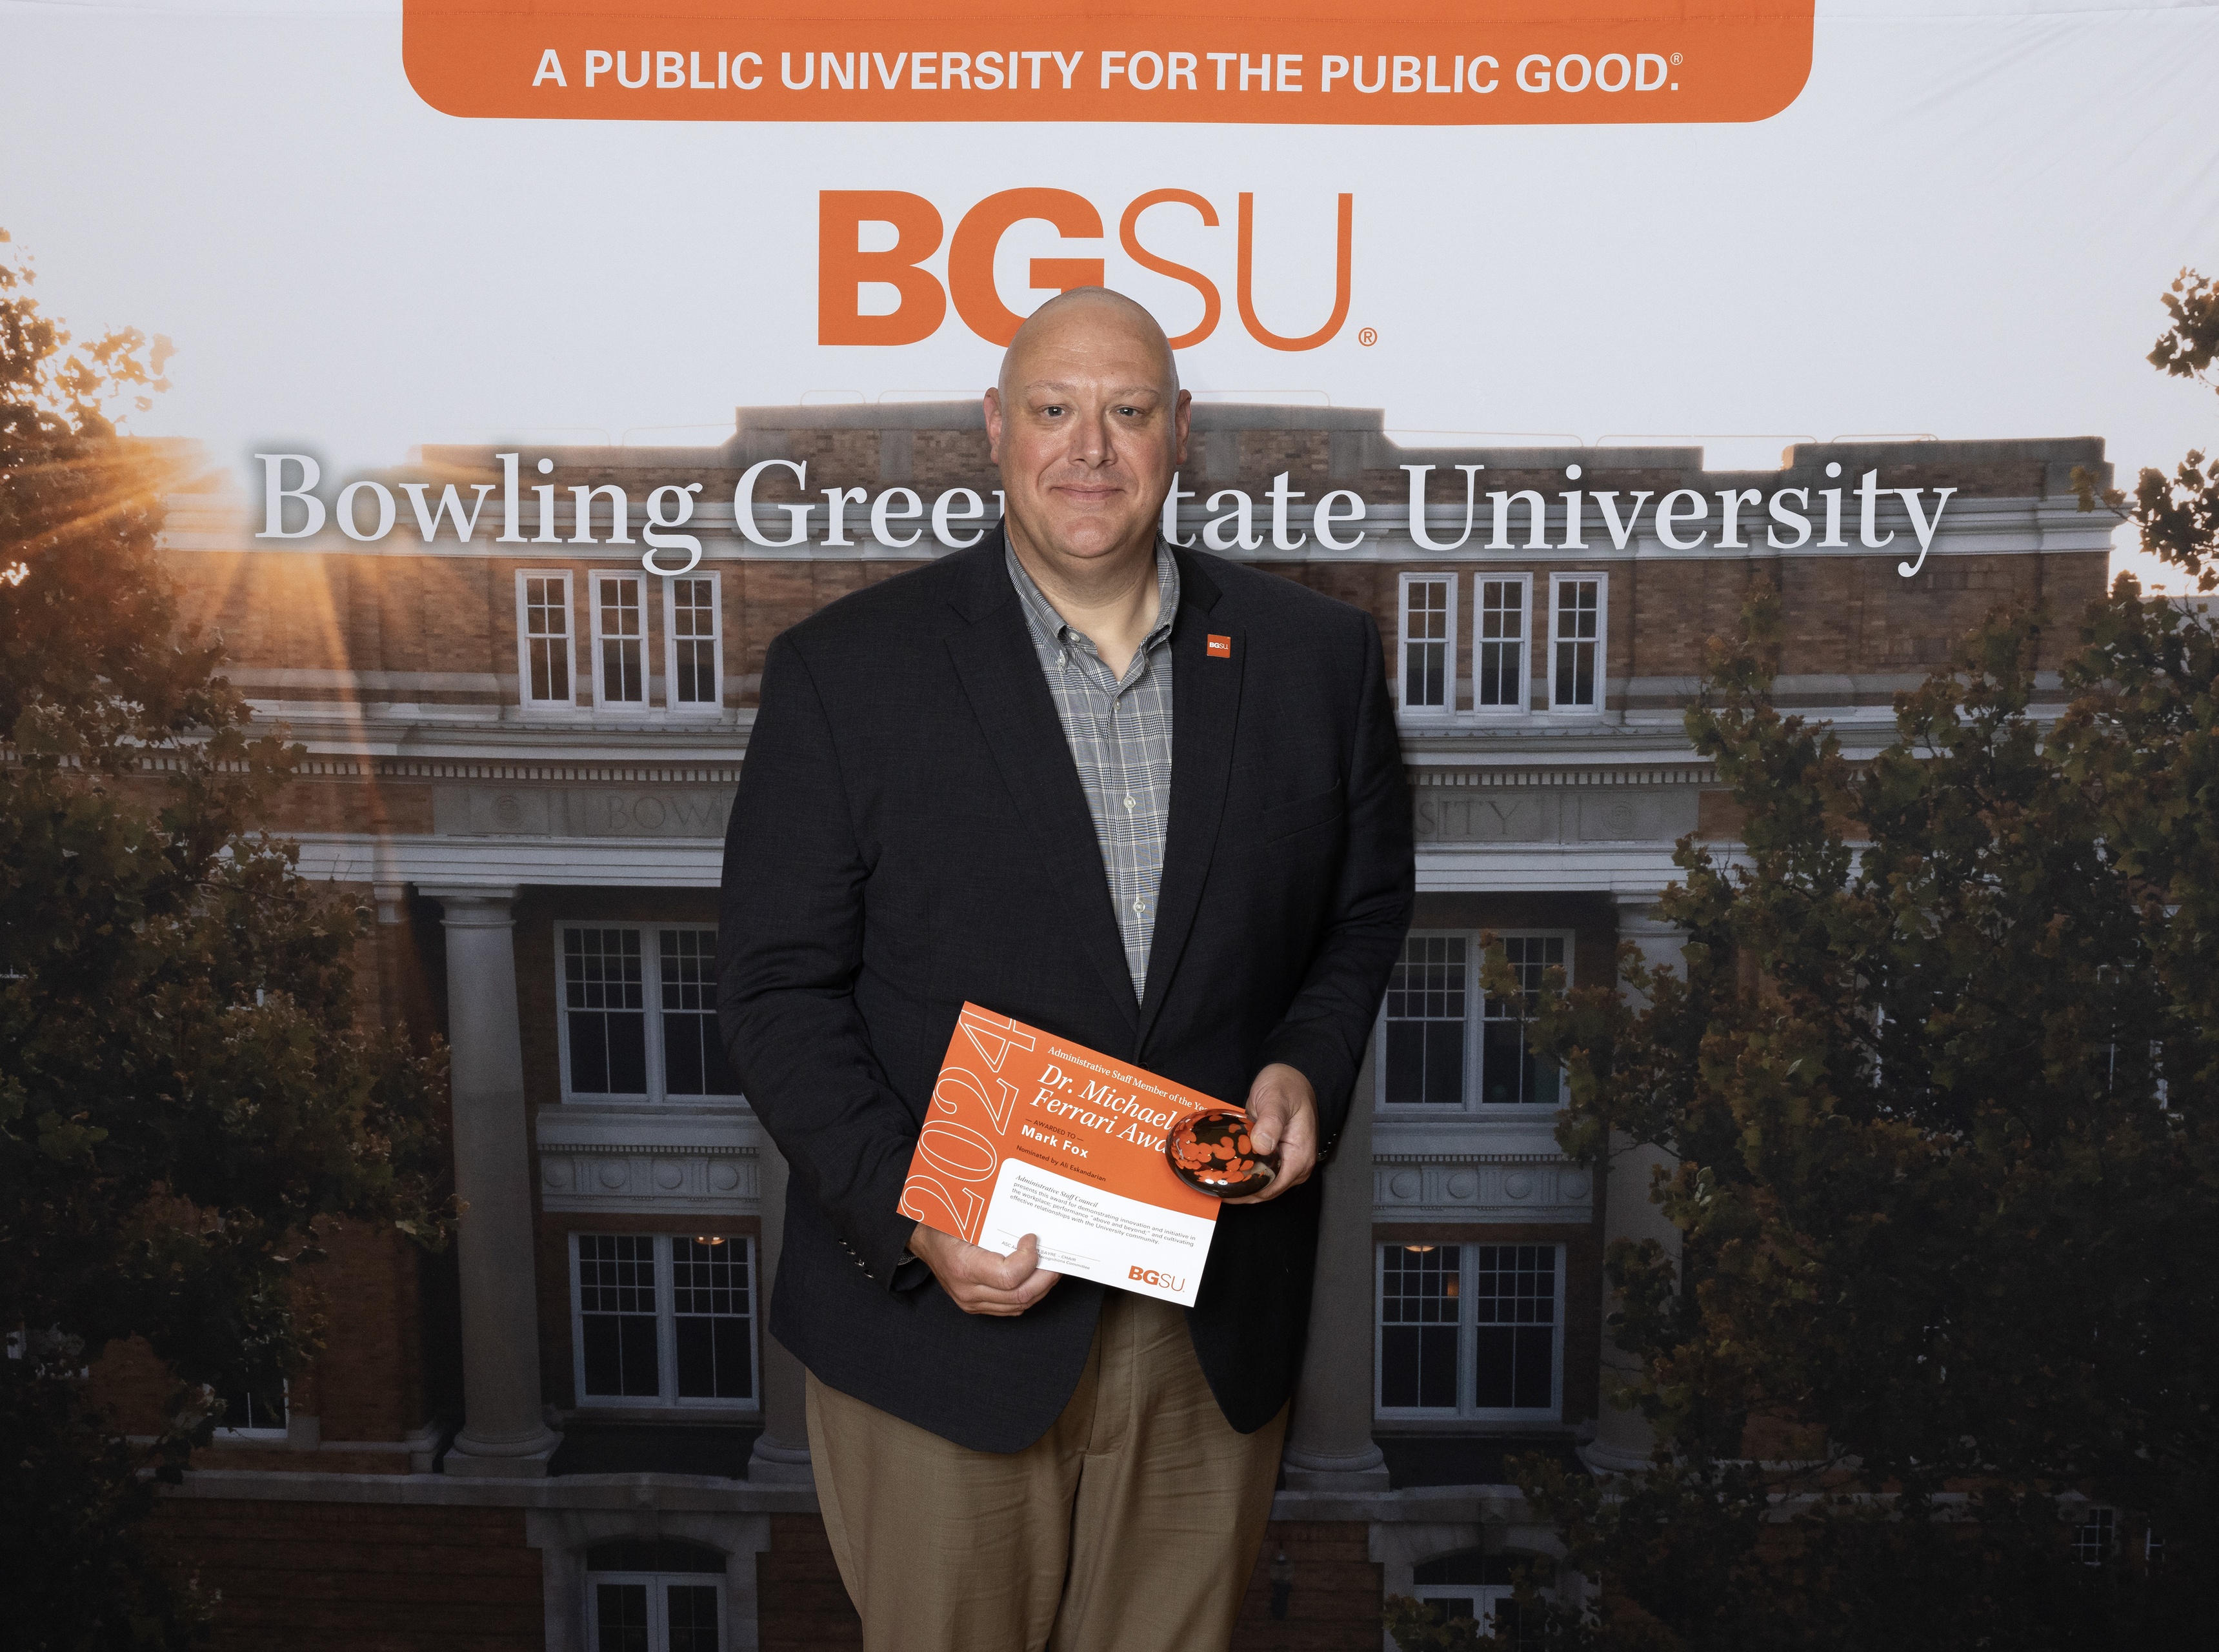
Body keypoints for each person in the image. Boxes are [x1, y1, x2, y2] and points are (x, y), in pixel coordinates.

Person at [717, 287, 1414, 1652]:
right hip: (946, 1326)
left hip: (1204, 1321)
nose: (1087, 446)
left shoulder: (1313, 659)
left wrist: (1304, 1057)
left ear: (1178, 432)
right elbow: (772, 994)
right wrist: (918, 1215)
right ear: (996, 428)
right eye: (1052, 409)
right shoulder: (845, 675)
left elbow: (1363, 904)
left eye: (1126, 409)